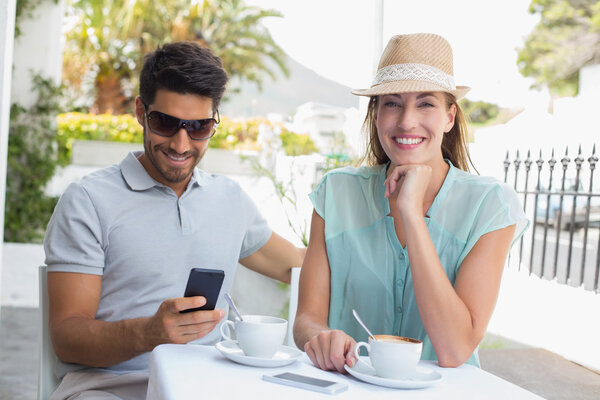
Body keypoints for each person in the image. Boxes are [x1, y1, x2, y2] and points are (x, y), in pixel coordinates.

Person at [44, 41, 305, 400]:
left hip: (206, 385)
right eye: (165, 123)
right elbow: (67, 338)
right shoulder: (88, 200)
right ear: (141, 111)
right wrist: (148, 334)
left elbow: (300, 267)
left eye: (198, 128)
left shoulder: (229, 200)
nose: (181, 145)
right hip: (110, 390)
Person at [293, 33, 529, 372]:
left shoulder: (490, 206)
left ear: (449, 117)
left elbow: (454, 350)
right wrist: (322, 336)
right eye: (392, 102)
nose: (406, 120)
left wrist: (411, 214)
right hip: (349, 386)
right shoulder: (336, 193)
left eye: (426, 103)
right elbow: (306, 319)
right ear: (375, 115)